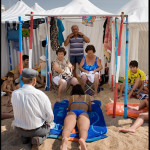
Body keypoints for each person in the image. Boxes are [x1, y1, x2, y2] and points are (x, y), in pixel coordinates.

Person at [11, 68, 54, 150]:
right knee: (48, 128)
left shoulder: (14, 93)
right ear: (34, 81)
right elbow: (50, 115)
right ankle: (38, 140)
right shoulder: (40, 94)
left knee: (26, 129)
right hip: (36, 130)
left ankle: (25, 138)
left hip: (19, 129)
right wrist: (48, 122)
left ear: (22, 80)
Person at [60, 84, 91, 150]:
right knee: (84, 129)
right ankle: (82, 139)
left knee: (67, 128)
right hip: (83, 112)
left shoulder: (72, 97)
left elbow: (69, 107)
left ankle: (65, 139)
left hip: (73, 112)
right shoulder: (87, 97)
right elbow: (89, 109)